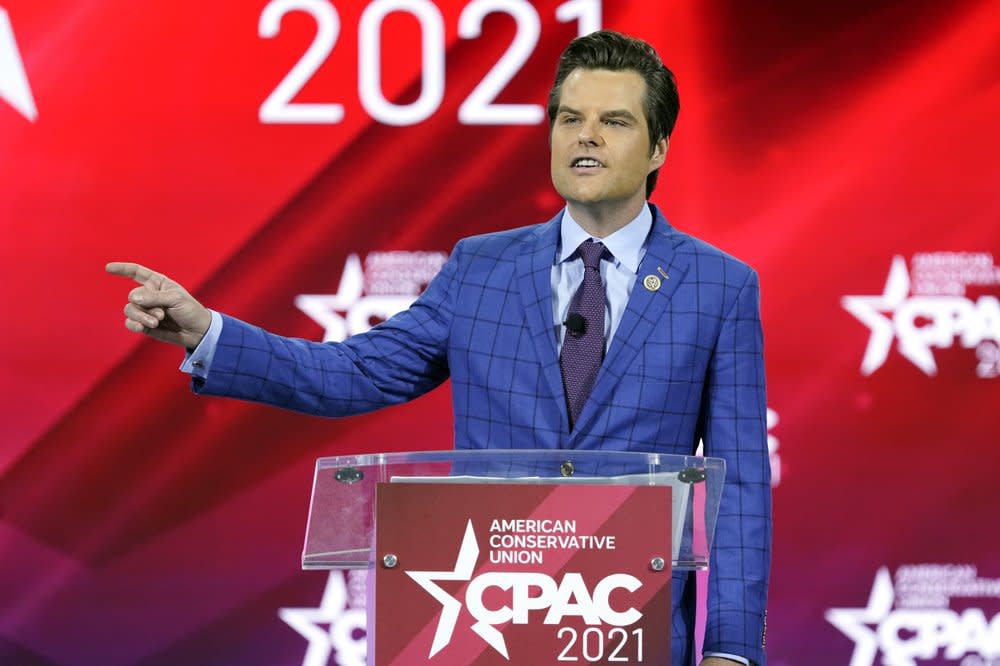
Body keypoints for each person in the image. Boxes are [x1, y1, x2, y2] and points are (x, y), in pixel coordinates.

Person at [108, 30, 770, 666]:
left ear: (659, 147)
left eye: (615, 121)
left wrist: (730, 650)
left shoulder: (718, 286)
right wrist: (207, 333)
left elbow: (738, 484)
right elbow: (352, 373)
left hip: (634, 636)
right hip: (480, 632)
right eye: (570, 118)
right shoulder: (481, 268)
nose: (586, 136)